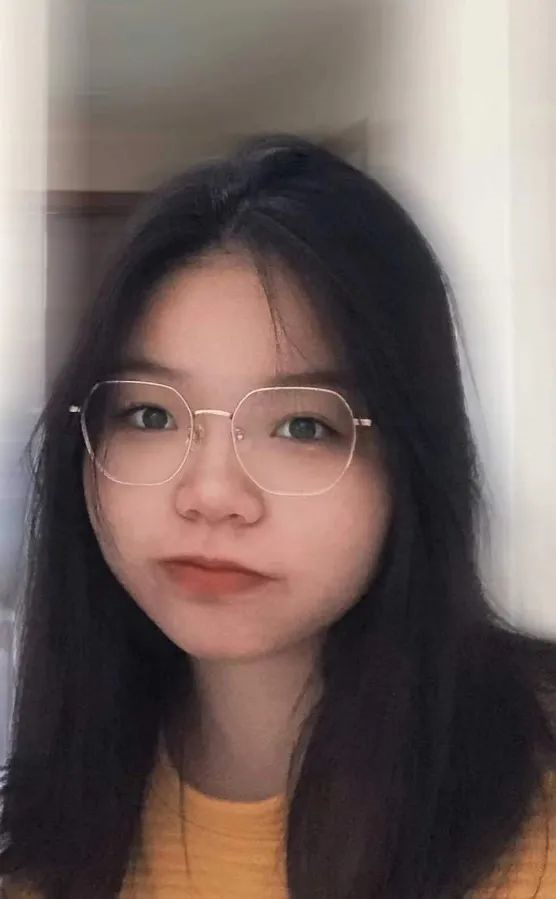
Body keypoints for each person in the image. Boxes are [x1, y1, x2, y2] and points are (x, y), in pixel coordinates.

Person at [1, 135, 556, 899]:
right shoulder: (46, 835)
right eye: (151, 414)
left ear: (412, 460)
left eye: (302, 425)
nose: (211, 493)